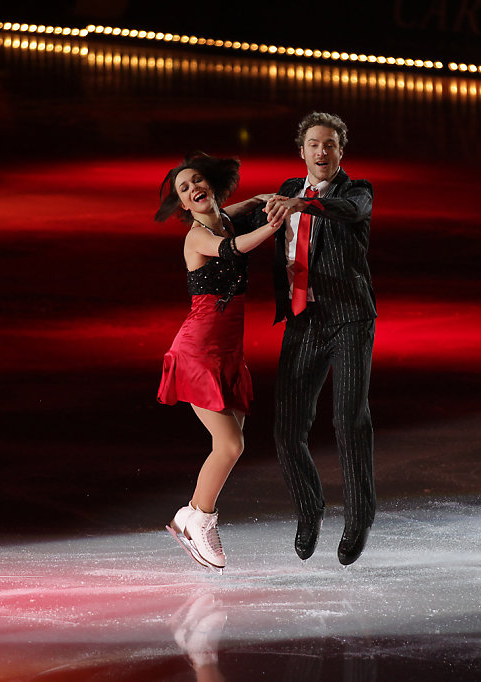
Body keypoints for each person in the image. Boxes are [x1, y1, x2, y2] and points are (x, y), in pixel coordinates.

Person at [156, 152, 283, 572]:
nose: (193, 189)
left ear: (209, 184)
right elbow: (231, 248)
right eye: (184, 189)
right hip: (199, 350)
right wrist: (271, 225)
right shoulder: (198, 236)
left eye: (196, 181)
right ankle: (200, 521)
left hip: (229, 351)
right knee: (230, 444)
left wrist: (261, 201)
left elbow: (236, 212)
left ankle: (189, 515)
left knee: (231, 444)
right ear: (183, 205)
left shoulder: (223, 216)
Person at [262, 112, 377, 566]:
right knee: (287, 429)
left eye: (330, 144)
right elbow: (243, 221)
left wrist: (303, 206)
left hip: (349, 319)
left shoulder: (356, 191)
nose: (322, 152)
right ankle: (310, 509)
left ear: (340, 150)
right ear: (302, 150)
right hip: (303, 320)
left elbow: (350, 213)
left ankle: (359, 517)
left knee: (349, 421)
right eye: (314, 144)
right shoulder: (286, 190)